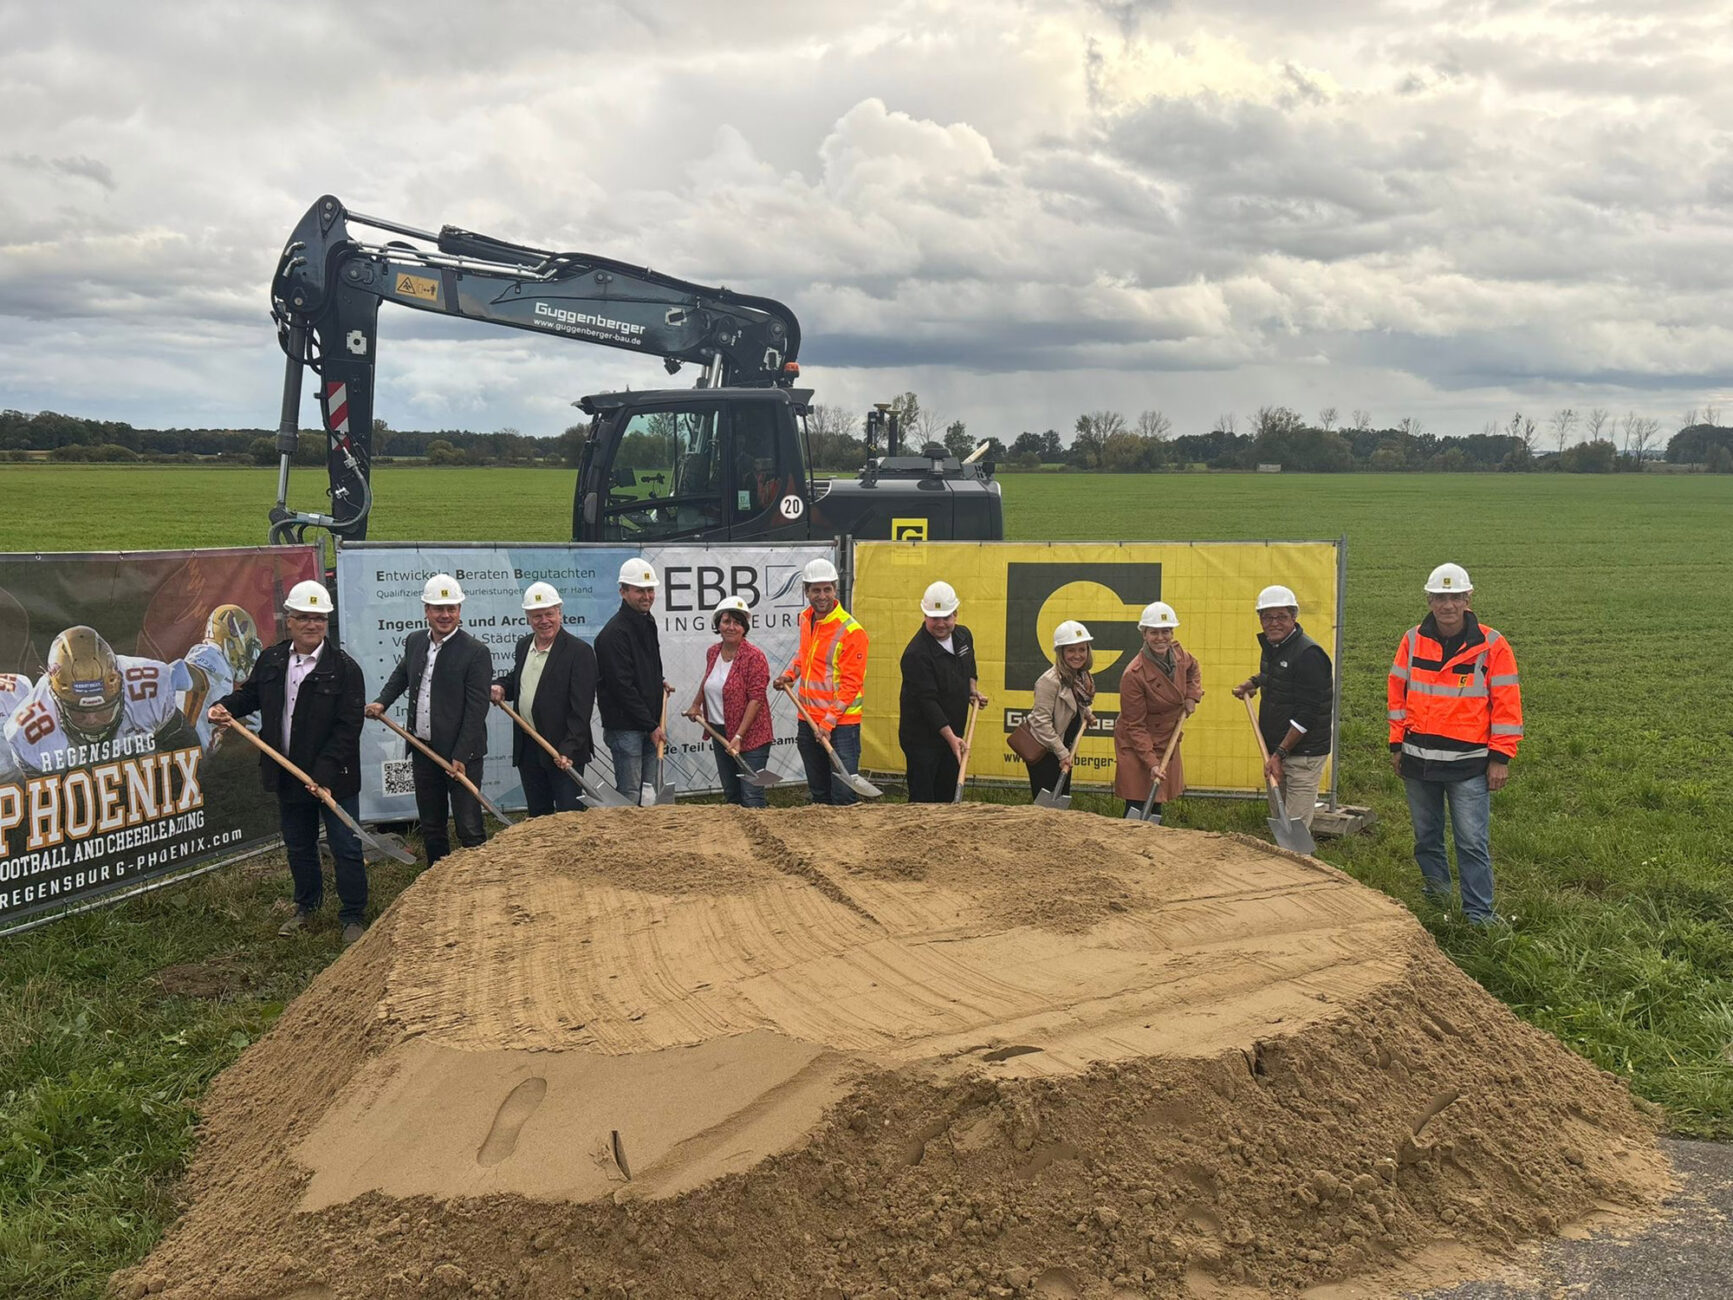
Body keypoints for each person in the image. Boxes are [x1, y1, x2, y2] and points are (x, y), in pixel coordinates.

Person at [207, 580, 368, 945]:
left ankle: (353, 914)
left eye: (319, 619)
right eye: (304, 618)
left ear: (327, 623)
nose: (312, 625)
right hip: (287, 772)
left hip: (334, 779)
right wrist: (226, 707)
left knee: (345, 846)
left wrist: (323, 775)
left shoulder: (344, 669)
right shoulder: (273, 659)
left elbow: (348, 729)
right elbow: (251, 695)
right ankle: (307, 906)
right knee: (299, 845)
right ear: (290, 621)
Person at [1387, 563, 1523, 925]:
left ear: (1468, 599)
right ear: (1430, 601)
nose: (1448, 605)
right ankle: (1438, 900)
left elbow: (1507, 704)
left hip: (1469, 765)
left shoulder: (1492, 645)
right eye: (1440, 597)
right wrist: (1396, 746)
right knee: (1426, 838)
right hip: (1419, 761)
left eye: (1455, 597)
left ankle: (1479, 914)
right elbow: (1397, 696)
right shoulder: (1412, 640)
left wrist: (1501, 756)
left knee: (1471, 844)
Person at [366, 573, 493, 865]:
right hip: (423, 750)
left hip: (461, 756)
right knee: (432, 825)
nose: (445, 615)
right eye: (438, 608)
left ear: (460, 610)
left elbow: (476, 711)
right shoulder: (414, 642)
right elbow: (401, 675)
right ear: (426, 610)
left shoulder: (476, 652)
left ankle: (479, 881)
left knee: (469, 827)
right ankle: (438, 882)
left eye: (451, 608)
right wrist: (382, 701)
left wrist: (461, 754)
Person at [1231, 584, 1335, 829]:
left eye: (1281, 617)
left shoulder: (1309, 655)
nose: (1274, 623)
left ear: (1294, 617)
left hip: (1302, 755)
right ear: (1260, 619)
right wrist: (1254, 682)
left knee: (1295, 826)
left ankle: (1298, 860)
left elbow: (1306, 715)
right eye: (1267, 617)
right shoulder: (1274, 646)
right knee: (1281, 821)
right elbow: (1280, 675)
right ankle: (1285, 860)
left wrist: (1279, 754)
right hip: (1277, 750)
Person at [490, 581, 596, 816]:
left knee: (569, 818)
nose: (544, 620)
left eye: (549, 613)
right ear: (528, 617)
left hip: (562, 750)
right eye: (537, 616)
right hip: (529, 748)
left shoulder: (579, 652)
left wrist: (568, 748)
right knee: (539, 816)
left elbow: (581, 710)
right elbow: (520, 680)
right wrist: (501, 686)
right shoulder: (524, 645)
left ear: (559, 612)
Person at [775, 557, 868, 805]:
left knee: (843, 794)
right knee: (819, 793)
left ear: (835, 590)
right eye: (816, 590)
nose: (822, 595)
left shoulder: (851, 631)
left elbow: (851, 685)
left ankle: (845, 841)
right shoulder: (807, 619)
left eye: (827, 589)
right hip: (807, 718)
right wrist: (789, 675)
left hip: (841, 726)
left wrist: (828, 722)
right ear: (806, 592)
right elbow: (805, 655)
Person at [897, 581, 987, 802]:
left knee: (947, 793)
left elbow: (969, 667)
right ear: (925, 616)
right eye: (934, 618)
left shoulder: (964, 636)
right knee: (924, 799)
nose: (941, 623)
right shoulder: (916, 654)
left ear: (955, 614)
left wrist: (972, 690)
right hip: (922, 739)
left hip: (953, 733)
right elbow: (928, 703)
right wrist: (951, 738)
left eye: (946, 617)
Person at [682, 596, 774, 807]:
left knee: (751, 795)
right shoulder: (713, 652)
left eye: (737, 622)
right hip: (720, 731)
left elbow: (756, 699)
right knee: (732, 794)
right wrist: (696, 704)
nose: (731, 627)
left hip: (751, 736)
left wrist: (739, 735)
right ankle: (737, 839)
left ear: (744, 627)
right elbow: (709, 680)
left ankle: (761, 838)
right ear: (718, 625)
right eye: (726, 621)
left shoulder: (754, 657)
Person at [595, 557, 673, 803]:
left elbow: (646, 667)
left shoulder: (647, 621)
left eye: (650, 590)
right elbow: (622, 688)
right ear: (623, 592)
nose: (647, 596)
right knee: (631, 794)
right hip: (626, 728)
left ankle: (649, 841)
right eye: (640, 590)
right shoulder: (613, 634)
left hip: (648, 723)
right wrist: (651, 726)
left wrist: (658, 683)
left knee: (650, 793)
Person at [1114, 602, 1202, 819]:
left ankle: (1152, 843)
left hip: (1166, 737)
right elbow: (1134, 725)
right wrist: (1152, 762)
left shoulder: (1180, 655)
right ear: (1144, 634)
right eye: (1154, 632)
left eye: (1166, 631)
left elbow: (1194, 669)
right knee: (1138, 799)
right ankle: (1129, 843)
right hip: (1137, 743)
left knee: (1157, 798)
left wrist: (1192, 695)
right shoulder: (1133, 675)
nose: (1161, 637)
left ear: (1172, 632)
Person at [1024, 620, 1095, 799]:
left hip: (1064, 750)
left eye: (1082, 649)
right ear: (1061, 652)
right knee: (1046, 808)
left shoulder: (1079, 677)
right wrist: (1062, 753)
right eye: (1071, 650)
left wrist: (1086, 713)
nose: (1077, 655)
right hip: (1046, 754)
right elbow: (1041, 723)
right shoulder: (1049, 681)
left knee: (1061, 801)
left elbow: (1072, 704)